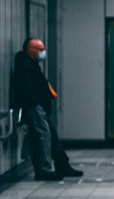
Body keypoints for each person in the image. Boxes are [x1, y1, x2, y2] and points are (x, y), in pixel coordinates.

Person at [10, 38, 83, 182]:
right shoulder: (25, 65)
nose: (43, 52)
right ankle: (44, 170)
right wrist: (35, 102)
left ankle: (62, 164)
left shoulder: (32, 64)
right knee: (43, 136)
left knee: (51, 136)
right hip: (34, 107)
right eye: (40, 49)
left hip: (39, 107)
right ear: (31, 50)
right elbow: (25, 87)